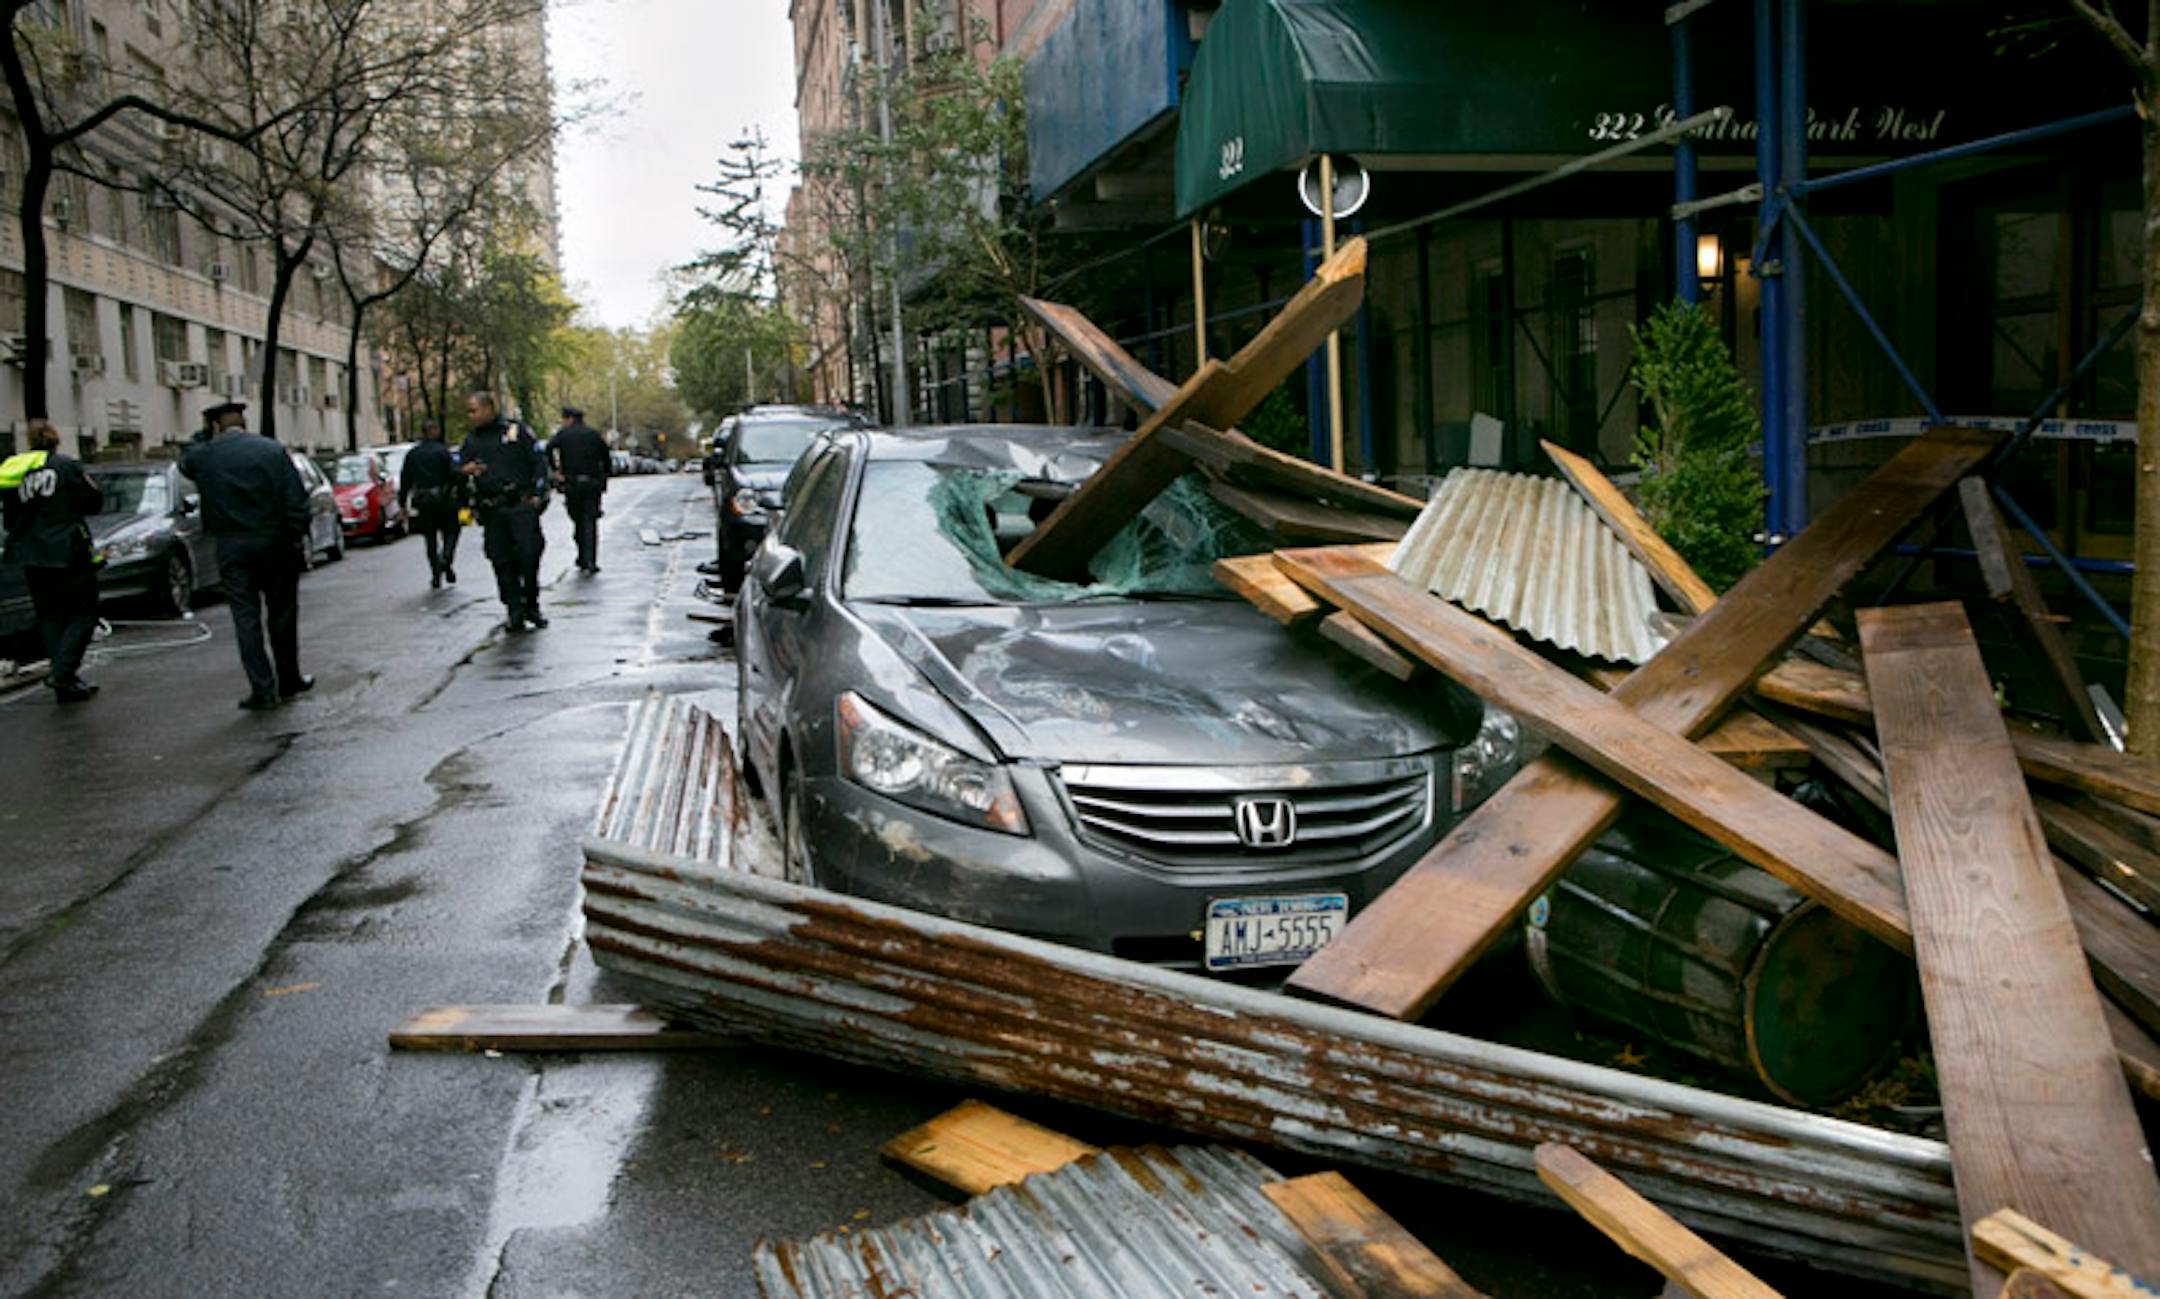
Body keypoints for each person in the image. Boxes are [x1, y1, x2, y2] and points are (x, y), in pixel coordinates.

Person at [179, 401, 314, 710]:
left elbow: (185, 462)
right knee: (282, 612)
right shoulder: (270, 450)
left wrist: (204, 436)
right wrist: (294, 536)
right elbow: (295, 497)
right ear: (243, 421)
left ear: (215, 425)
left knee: (245, 618)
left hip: (231, 546)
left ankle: (262, 689)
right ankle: (289, 678)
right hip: (274, 541)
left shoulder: (205, 455)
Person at [0, 419, 104, 703]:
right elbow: (93, 501)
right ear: (55, 440)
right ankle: (63, 671)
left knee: (50, 615)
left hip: (31, 553)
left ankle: (65, 676)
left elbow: (9, 517)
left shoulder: (14, 472)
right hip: (67, 550)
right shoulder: (66, 466)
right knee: (84, 613)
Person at [458, 392, 548, 632]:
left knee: (529, 556)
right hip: (493, 509)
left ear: (488, 408)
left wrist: (538, 493)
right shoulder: (472, 441)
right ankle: (514, 610)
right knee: (501, 560)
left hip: (520, 505)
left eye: (474, 410)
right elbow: (457, 469)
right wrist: (464, 471)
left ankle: (531, 604)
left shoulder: (516, 432)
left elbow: (539, 462)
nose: (471, 416)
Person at [398, 419, 464, 589]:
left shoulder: (413, 454)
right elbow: (453, 474)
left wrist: (402, 504)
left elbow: (405, 480)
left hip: (423, 501)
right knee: (451, 531)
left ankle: (436, 573)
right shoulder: (442, 452)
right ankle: (446, 559)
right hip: (443, 499)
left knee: (430, 538)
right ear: (433, 431)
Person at [547, 404, 610, 573]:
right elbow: (606, 458)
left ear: (569, 419)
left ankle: (582, 555)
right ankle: (590, 559)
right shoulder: (593, 435)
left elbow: (547, 449)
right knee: (590, 521)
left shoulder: (563, 435)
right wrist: (603, 479)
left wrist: (555, 470)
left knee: (578, 520)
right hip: (591, 484)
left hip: (572, 484)